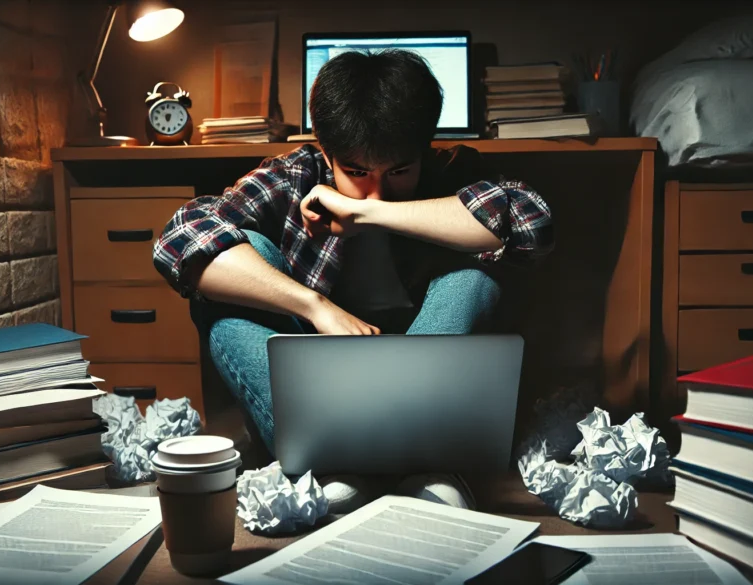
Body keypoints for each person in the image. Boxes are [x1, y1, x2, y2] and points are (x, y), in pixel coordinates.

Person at [153, 49, 553, 514]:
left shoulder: (452, 172)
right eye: (356, 173)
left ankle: (423, 467)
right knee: (232, 273)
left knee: (473, 272)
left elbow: (531, 224)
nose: (377, 187)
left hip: (427, 382)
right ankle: (335, 469)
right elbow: (179, 241)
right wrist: (316, 308)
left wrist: (366, 212)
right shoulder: (295, 174)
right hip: (322, 388)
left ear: (424, 150)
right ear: (326, 152)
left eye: (399, 171)